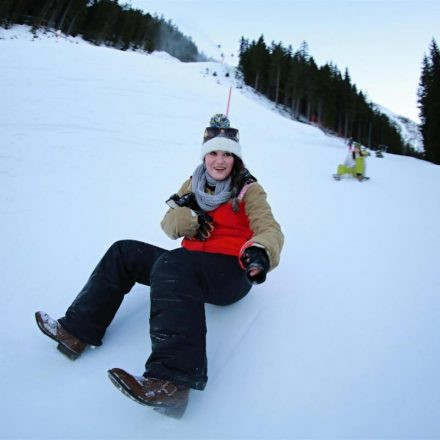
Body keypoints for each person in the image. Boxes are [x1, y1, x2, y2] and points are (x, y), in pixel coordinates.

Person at [35, 113, 284, 417]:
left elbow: (269, 228)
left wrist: (260, 251)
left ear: (236, 158)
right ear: (204, 156)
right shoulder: (191, 184)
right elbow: (168, 225)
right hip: (186, 267)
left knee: (174, 262)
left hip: (230, 273)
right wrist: (184, 221)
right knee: (124, 251)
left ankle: (172, 383)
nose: (220, 161)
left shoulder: (248, 190)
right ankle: (75, 331)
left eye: (227, 154)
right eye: (213, 153)